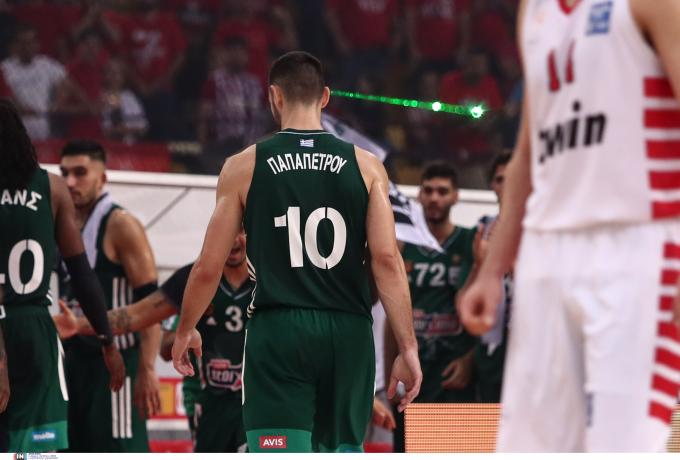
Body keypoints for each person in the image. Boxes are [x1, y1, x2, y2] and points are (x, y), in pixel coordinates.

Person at [170, 51, 422, 453]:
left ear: (274, 96)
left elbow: (208, 267)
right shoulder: (368, 166)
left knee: (279, 450)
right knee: (341, 450)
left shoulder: (243, 166)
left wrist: (185, 328)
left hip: (279, 329)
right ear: (325, 97)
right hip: (348, 329)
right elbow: (387, 261)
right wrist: (408, 348)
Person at [459, 0, 680, 452]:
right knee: (530, 448)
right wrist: (492, 270)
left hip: (637, 243)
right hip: (546, 251)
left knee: (623, 447)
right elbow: (527, 153)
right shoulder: (534, 11)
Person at [54, 230, 397, 452]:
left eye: (243, 231)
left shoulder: (280, 277)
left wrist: (363, 397)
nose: (233, 240)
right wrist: (80, 325)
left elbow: (317, 341)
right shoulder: (195, 277)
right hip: (213, 405)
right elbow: (140, 315)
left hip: (269, 399)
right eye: (227, 231)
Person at [0, 99, 124, 452]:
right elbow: (82, 273)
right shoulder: (52, 188)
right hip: (36, 329)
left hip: (8, 322)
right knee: (37, 451)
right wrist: (107, 340)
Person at [58, 140, 160, 452]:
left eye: (80, 173)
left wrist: (147, 368)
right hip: (73, 364)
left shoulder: (121, 225)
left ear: (102, 178)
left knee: (118, 451)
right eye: (64, 173)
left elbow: (152, 302)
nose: (70, 182)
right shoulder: (62, 224)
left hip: (116, 367)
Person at [385, 162, 476, 452]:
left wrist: (470, 360)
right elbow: (392, 318)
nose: (435, 197)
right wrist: (388, 374)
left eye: (442, 191)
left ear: (456, 196)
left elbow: (489, 312)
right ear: (419, 196)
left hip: (453, 371)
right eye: (429, 191)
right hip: (415, 370)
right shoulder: (403, 246)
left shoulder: (470, 242)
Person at [466, 152, 512, 403]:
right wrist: (480, 265)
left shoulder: (542, 230)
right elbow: (462, 302)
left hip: (534, 349)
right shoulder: (481, 230)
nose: (507, 185)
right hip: (491, 353)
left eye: (513, 177)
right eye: (500, 179)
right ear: (492, 185)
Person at [1, 24, 69, 140]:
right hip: (13, 126)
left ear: (37, 44)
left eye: (30, 42)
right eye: (22, 43)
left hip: (41, 126)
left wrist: (57, 103)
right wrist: (18, 107)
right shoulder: (5, 67)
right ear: (16, 45)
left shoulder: (46, 64)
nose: (26, 47)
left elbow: (66, 83)